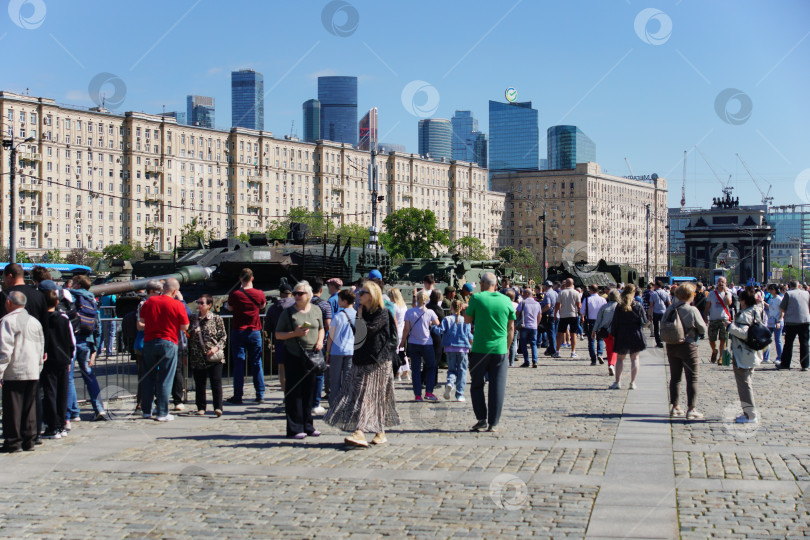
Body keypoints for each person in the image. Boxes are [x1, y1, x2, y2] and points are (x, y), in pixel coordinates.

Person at [325, 281, 400, 447]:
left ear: (372, 295)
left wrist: (358, 316)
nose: (359, 295)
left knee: (369, 396)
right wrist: (358, 315)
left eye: (362, 293)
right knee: (359, 395)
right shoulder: (362, 311)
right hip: (360, 359)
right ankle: (380, 433)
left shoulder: (382, 313)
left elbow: (369, 330)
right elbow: (358, 336)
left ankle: (360, 432)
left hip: (377, 362)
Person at [465, 272, 516, 432]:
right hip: (500, 349)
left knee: (477, 385)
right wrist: (507, 348)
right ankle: (493, 422)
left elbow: (467, 320)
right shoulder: (506, 300)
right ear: (496, 284)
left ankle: (481, 419)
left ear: (481, 283)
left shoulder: (477, 298)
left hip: (480, 349)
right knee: (497, 386)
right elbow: (511, 327)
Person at [275, 281, 324, 439]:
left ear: (309, 295)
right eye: (295, 293)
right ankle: (295, 428)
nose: (296, 296)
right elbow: (278, 334)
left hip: (312, 356)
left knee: (309, 392)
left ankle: (308, 425)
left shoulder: (316, 310)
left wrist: (320, 341)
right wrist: (294, 334)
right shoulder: (288, 313)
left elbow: (322, 328)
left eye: (300, 293)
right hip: (294, 355)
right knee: (294, 392)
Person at [139, 278, 190, 421]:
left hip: (149, 342)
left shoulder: (149, 302)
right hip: (168, 342)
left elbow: (142, 321)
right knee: (165, 378)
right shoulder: (177, 304)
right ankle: (162, 412)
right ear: (175, 291)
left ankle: (146, 411)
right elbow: (184, 327)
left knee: (148, 377)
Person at [0, 291, 45, 453]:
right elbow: (41, 347)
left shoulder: (8, 321)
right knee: (29, 407)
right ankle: (29, 440)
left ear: (9, 303)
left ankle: (13, 441)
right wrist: (39, 367)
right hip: (32, 369)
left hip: (15, 370)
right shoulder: (34, 322)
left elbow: (4, 351)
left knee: (13, 408)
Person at [663, 283, 708, 419]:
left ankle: (675, 407)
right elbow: (702, 328)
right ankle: (691, 408)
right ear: (690, 295)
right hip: (688, 346)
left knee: (675, 378)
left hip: (672, 345)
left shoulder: (670, 309)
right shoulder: (692, 310)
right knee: (692, 378)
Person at [69, 274, 107, 421]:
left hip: (72, 341)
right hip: (87, 341)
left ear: (78, 284)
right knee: (89, 375)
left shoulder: (71, 297)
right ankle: (99, 408)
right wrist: (95, 348)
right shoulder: (91, 298)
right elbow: (98, 326)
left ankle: (74, 412)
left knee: (70, 377)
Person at [226, 268, 267, 404]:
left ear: (240, 278)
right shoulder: (259, 293)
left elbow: (230, 308)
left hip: (238, 331)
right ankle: (260, 394)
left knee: (238, 364)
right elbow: (262, 306)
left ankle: (238, 395)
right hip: (254, 330)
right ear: (252, 278)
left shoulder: (235, 294)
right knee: (257, 363)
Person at [41, 289, 76, 439]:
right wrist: (70, 357)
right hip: (63, 359)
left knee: (50, 392)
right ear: (57, 302)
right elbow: (71, 340)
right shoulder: (64, 319)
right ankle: (62, 424)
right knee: (62, 392)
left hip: (48, 359)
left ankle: (53, 426)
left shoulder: (42, 320)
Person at [727, 287, 764, 423]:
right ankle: (748, 412)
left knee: (744, 384)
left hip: (742, 352)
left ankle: (750, 414)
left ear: (743, 301)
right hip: (754, 351)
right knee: (748, 381)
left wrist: (729, 327)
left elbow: (743, 333)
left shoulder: (744, 315)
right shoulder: (758, 311)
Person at [188, 294, 227, 417]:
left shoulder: (216, 319)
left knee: (216, 382)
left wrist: (216, 348)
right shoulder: (193, 319)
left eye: (201, 303)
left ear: (209, 305)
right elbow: (187, 335)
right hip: (197, 355)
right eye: (198, 303)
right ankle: (201, 407)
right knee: (200, 383)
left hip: (214, 355)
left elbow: (223, 336)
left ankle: (218, 407)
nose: (199, 305)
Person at [401, 289, 440, 401]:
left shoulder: (409, 312)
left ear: (416, 299)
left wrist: (402, 342)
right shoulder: (430, 312)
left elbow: (406, 329)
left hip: (413, 343)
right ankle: (429, 392)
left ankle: (417, 395)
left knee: (416, 369)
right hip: (427, 343)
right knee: (431, 366)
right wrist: (430, 323)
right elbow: (437, 323)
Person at [609, 285, 648, 390]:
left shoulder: (619, 306)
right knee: (635, 358)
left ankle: (617, 382)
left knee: (620, 359)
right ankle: (632, 383)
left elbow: (615, 322)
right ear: (634, 293)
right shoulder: (638, 305)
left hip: (622, 333)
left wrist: (613, 334)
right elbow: (644, 320)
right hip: (635, 332)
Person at [326, 289, 356, 406]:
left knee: (335, 381)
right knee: (348, 381)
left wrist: (327, 353)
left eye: (339, 299)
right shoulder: (358, 316)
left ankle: (334, 405)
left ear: (344, 301)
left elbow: (331, 337)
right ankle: (347, 405)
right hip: (351, 351)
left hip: (336, 351)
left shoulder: (338, 316)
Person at [264, 283, 295, 394]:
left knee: (282, 368)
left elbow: (267, 326)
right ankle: (294, 394)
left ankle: (285, 394)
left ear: (280, 294)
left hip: (280, 340)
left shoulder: (273, 308)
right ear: (291, 293)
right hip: (296, 341)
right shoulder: (297, 306)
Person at [440, 298, 473, 401]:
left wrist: (433, 327)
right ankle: (459, 394)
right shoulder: (465, 320)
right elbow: (469, 335)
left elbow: (441, 330)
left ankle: (450, 382)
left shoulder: (447, 319)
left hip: (450, 348)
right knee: (462, 370)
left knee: (451, 369)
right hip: (463, 348)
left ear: (451, 308)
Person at [308, 278, 332, 415]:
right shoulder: (325, 304)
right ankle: (315, 403)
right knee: (319, 373)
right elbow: (328, 325)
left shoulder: (304, 303)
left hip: (305, 341)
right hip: (320, 342)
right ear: (321, 289)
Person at [777, 280, 810, 371]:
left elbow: (782, 308)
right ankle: (805, 364)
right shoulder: (807, 293)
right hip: (805, 321)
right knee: (804, 343)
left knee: (788, 344)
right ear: (798, 285)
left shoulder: (788, 294)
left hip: (791, 322)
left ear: (789, 286)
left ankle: (785, 364)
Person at [705, 277, 733, 364]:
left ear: (726, 283)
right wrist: (705, 316)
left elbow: (729, 303)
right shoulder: (711, 294)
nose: (721, 283)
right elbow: (707, 306)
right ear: (717, 283)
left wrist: (726, 293)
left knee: (723, 339)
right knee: (711, 339)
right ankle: (714, 350)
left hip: (724, 319)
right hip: (713, 319)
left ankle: (720, 357)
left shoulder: (728, 293)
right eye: (719, 282)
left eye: (723, 282)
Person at [593, 289, 620, 376]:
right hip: (616, 331)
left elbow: (598, 320)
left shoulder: (604, 307)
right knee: (615, 349)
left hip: (604, 331)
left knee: (609, 349)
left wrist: (594, 330)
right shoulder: (619, 307)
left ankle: (610, 365)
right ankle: (612, 364)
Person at [553, 279, 582, 359]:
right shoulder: (576, 293)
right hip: (573, 314)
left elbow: (558, 304)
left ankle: (557, 351)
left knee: (560, 334)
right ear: (573, 284)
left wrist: (555, 313)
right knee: (574, 334)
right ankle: (573, 352)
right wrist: (581, 315)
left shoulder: (561, 292)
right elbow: (579, 306)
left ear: (566, 284)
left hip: (563, 315)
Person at [581, 284, 607, 365]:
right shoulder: (602, 299)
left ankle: (593, 359)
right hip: (600, 321)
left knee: (591, 340)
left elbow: (582, 311)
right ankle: (600, 354)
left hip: (590, 321)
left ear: (591, 290)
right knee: (600, 339)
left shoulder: (587, 300)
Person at [388, 288, 410, 381]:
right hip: (403, 330)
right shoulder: (404, 306)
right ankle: (405, 372)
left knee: (395, 353)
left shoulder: (393, 306)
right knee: (402, 352)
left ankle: (397, 372)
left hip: (395, 331)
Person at [516, 287, 542, 368]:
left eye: (523, 293)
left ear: (527, 294)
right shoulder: (537, 304)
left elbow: (517, 313)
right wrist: (537, 324)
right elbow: (539, 315)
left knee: (523, 344)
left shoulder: (522, 303)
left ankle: (526, 361)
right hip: (534, 326)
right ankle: (535, 361)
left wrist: (516, 322)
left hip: (524, 326)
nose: (522, 295)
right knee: (533, 344)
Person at [764, 284, 784, 364]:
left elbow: (782, 311)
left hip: (777, 321)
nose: (770, 290)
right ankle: (766, 357)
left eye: (772, 289)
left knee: (777, 340)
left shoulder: (779, 299)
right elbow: (771, 307)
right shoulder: (772, 299)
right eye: (769, 289)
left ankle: (780, 357)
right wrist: (765, 303)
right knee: (767, 338)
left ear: (776, 290)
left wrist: (779, 321)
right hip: (771, 321)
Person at [648, 281, 671, 349]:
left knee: (656, 328)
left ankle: (658, 342)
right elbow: (669, 303)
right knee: (663, 327)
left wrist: (650, 314)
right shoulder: (666, 293)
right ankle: (662, 340)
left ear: (657, 286)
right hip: (664, 311)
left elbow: (651, 305)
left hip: (656, 312)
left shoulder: (653, 294)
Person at [540, 281, 558, 356]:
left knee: (550, 333)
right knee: (554, 333)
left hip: (549, 315)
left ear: (546, 286)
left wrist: (540, 311)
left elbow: (548, 305)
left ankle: (553, 349)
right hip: (556, 314)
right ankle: (551, 348)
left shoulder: (547, 294)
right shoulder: (555, 293)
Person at [505, 290, 519, 366]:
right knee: (513, 343)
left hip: (504, 325)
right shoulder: (517, 305)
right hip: (514, 325)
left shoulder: (504, 304)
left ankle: (504, 360)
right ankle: (512, 362)